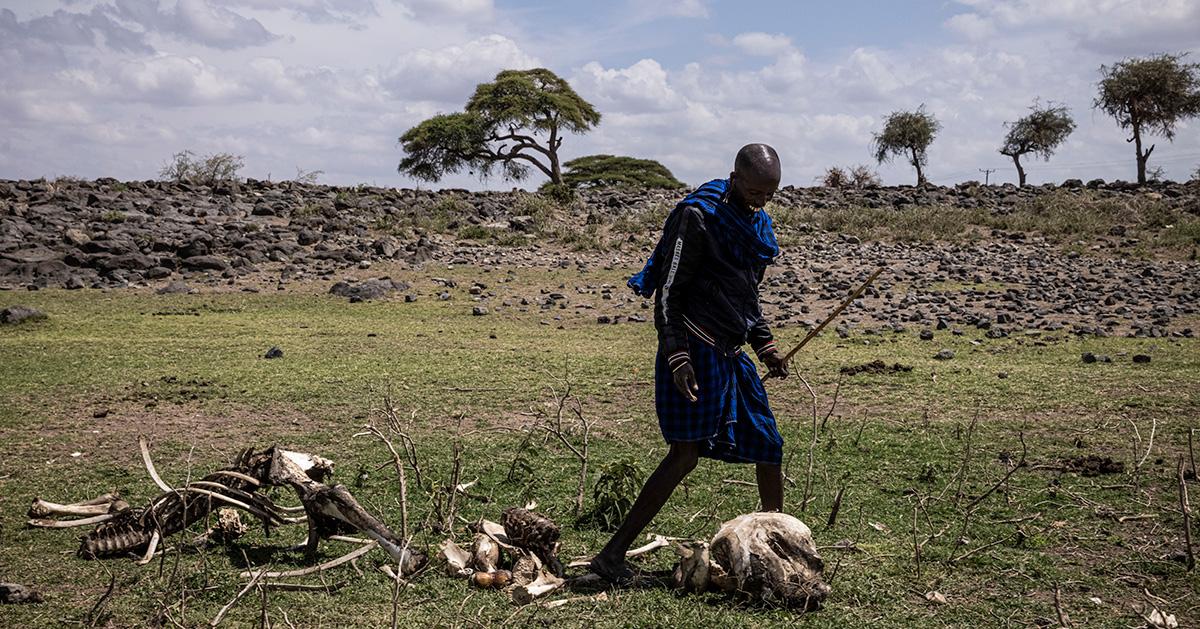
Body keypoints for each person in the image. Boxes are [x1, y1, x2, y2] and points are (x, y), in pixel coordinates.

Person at [590, 143, 789, 585]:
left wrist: (766, 346)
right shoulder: (697, 217)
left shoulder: (755, 224)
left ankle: (778, 551)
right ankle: (611, 555)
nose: (760, 203)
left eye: (769, 195)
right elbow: (669, 292)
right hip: (693, 350)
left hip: (732, 353)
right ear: (734, 178)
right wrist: (677, 356)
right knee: (684, 455)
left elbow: (745, 297)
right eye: (755, 192)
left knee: (769, 446)